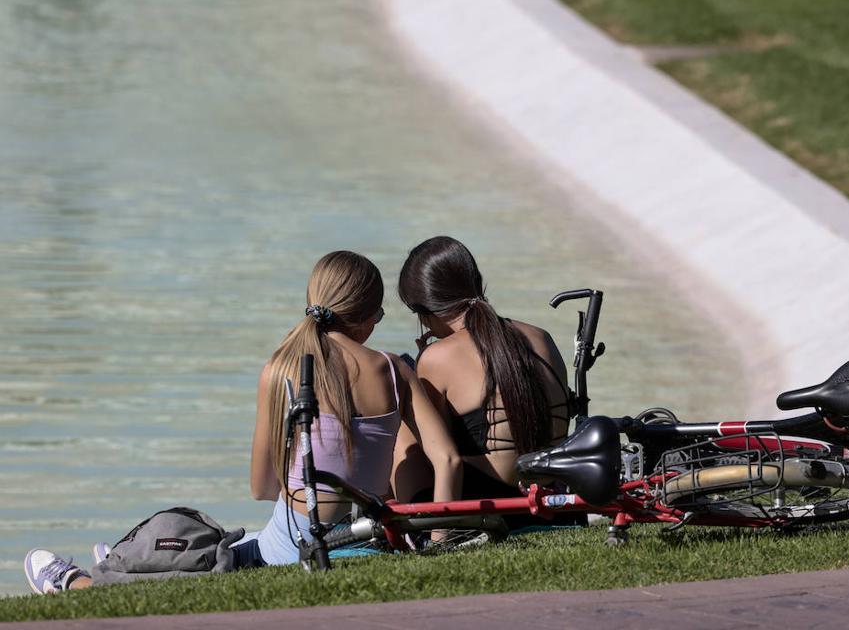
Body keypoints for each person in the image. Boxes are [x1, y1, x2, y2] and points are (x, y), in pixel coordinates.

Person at [23, 250, 461, 594]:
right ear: (366, 318)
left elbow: (262, 488)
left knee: (201, 546)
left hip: (294, 543)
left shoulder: (281, 368)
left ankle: (84, 580)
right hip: (369, 541)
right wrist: (441, 544)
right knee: (226, 544)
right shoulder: (393, 370)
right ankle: (127, 557)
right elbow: (448, 459)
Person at [393, 236, 572, 504]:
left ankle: (408, 529)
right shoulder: (541, 337)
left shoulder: (437, 357)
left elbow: (437, 451)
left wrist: (417, 376)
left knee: (404, 421)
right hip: (549, 491)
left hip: (484, 501)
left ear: (425, 309)